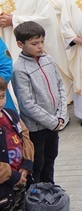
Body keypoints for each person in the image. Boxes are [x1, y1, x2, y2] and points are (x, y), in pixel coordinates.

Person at [11, 22, 65, 184]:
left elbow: (60, 87)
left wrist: (60, 116)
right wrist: (52, 122)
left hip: (54, 123)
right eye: (34, 44)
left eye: (42, 41)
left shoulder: (48, 59)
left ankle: (50, 189)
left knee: (51, 158)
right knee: (37, 164)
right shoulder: (20, 69)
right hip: (37, 129)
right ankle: (37, 195)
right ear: (20, 44)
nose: (40, 46)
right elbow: (27, 104)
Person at [0, 77, 33, 209]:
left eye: (2, 96)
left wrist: (26, 164)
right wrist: (12, 176)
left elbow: (25, 137)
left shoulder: (10, 115)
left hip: (20, 179)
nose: (0, 101)